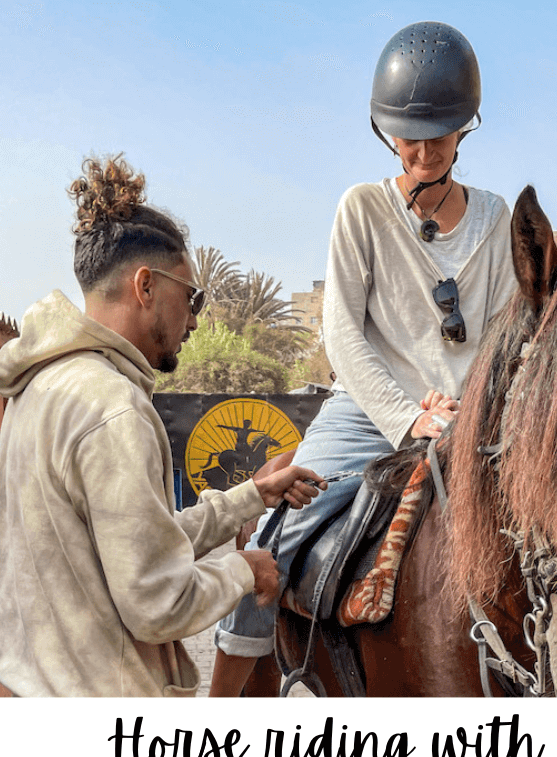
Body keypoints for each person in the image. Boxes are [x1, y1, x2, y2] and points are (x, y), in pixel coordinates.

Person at [210, 20, 517, 694]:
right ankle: (227, 698)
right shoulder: (361, 209)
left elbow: (499, 335)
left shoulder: (497, 221)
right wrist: (410, 419)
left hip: (468, 415)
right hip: (367, 412)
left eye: (438, 133)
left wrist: (462, 408)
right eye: (408, 134)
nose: (422, 150)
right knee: (269, 534)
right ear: (386, 130)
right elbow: (344, 337)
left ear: (465, 129)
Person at [0, 153, 324, 696]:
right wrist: (245, 570)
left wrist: (252, 495)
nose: (194, 318)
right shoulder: (113, 408)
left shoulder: (41, 388)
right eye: (191, 297)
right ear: (146, 286)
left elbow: (141, 546)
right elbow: (157, 599)